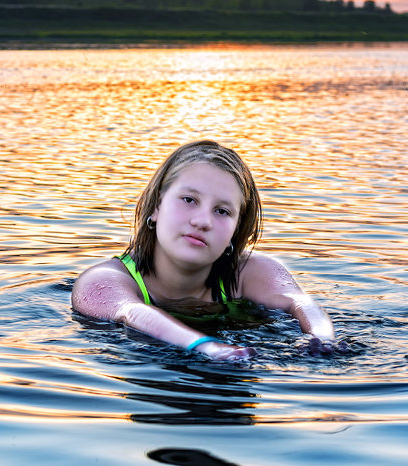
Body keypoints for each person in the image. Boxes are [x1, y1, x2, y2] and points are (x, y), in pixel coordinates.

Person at [72, 140, 335, 361]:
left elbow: (302, 303)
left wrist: (322, 340)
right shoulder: (103, 281)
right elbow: (131, 312)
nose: (203, 221)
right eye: (189, 200)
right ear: (156, 208)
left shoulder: (249, 272)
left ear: (235, 230)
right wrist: (209, 348)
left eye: (221, 211)